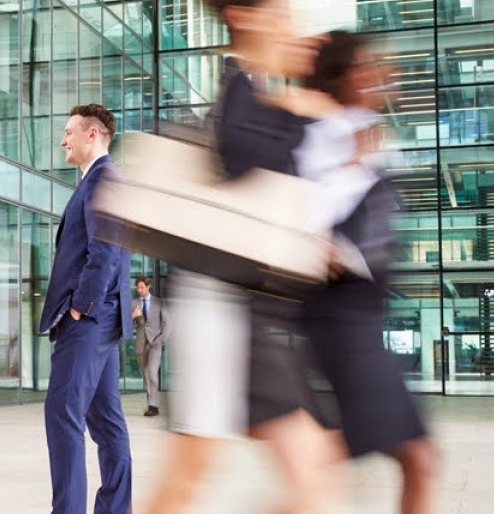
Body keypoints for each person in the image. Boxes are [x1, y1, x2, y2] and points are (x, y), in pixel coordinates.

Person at [144, 2, 342, 513]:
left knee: (305, 467)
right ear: (244, 15)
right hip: (221, 304)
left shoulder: (256, 90)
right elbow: (238, 161)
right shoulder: (240, 86)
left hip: (247, 308)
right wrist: (296, 111)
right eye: (278, 13)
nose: (289, 25)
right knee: (198, 469)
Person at [296, 30, 438, 514]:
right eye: (370, 65)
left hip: (361, 319)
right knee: (413, 457)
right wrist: (355, 164)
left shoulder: (367, 131)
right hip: (338, 317)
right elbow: (307, 219)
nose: (384, 73)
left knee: (407, 459)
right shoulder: (323, 132)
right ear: (347, 75)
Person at [38, 103, 133, 514]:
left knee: (62, 415)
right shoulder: (97, 180)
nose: (63, 140)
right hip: (103, 321)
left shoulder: (102, 178)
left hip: (89, 321)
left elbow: (105, 251)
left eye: (69, 132)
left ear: (92, 135)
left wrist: (80, 309)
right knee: (106, 422)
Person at [131, 277, 167, 417]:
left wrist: (161, 339)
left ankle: (154, 405)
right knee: (147, 376)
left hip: (155, 343)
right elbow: (127, 324)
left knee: (152, 373)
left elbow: (167, 323)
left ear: (148, 286)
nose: (139, 290)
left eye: (141, 287)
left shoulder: (159, 302)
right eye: (137, 288)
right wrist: (134, 315)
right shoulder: (134, 303)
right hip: (141, 343)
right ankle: (151, 406)